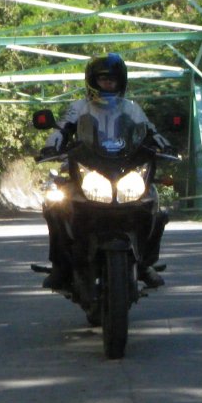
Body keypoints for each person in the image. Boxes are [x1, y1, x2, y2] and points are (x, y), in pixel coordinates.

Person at [38, 53, 171, 291]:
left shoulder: (132, 109)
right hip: (87, 168)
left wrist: (164, 144)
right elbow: (63, 129)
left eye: (113, 80)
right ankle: (60, 266)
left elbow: (150, 131)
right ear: (92, 81)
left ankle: (145, 263)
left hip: (123, 167)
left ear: (121, 82)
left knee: (153, 203)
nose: (108, 84)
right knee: (55, 207)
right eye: (103, 79)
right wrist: (52, 144)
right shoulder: (80, 107)